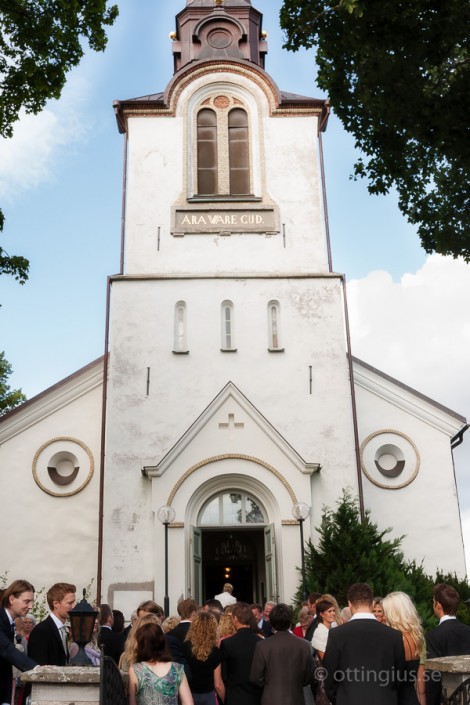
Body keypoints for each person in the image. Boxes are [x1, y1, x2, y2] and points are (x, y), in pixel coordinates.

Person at [323, 582, 405, 705]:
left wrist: (341, 699)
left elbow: (329, 678)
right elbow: (399, 677)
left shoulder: (337, 635)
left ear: (349, 604)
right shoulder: (394, 635)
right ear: (372, 604)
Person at [250, 603, 312, 705]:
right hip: (296, 699)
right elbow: (308, 677)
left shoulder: (263, 646)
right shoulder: (304, 645)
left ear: (272, 621)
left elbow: (256, 678)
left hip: (271, 699)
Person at [128, 621, 193, 705]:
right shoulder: (177, 669)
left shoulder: (136, 670)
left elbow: (132, 702)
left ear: (140, 645)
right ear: (163, 641)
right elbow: (188, 703)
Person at [426, 583, 470, 705]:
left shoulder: (433, 636)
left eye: (433, 601)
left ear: (438, 605)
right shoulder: (468, 631)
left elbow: (433, 677)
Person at [382, 591, 426, 705]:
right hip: (411, 698)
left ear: (393, 613)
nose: (383, 615)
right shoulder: (416, 637)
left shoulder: (396, 640)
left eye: (385, 611)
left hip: (397, 699)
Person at [0, 580, 37, 705]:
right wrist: (36, 668)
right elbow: (6, 649)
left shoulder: (9, 622)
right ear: (11, 599)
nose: (30, 606)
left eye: (32, 602)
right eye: (26, 601)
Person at [220, 602, 261, 705]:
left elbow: (224, 675)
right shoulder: (260, 642)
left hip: (234, 697)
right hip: (256, 697)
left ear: (235, 619)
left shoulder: (227, 643)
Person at [28, 582, 76, 666]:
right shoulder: (41, 631)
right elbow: (38, 669)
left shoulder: (62, 629)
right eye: (70, 603)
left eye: (73, 602)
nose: (73, 606)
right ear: (56, 604)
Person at [183, 611, 225, 704]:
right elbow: (218, 684)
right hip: (208, 696)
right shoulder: (215, 652)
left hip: (189, 694)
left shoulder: (185, 647)